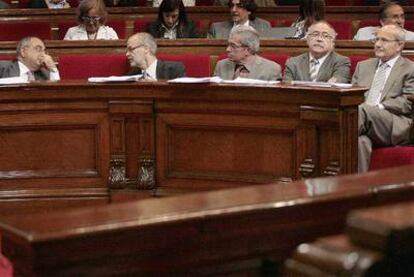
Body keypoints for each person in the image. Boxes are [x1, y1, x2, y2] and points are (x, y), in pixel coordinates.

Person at [352, 24, 414, 172]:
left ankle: (333, 138)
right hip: (364, 121)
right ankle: (359, 191)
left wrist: (380, 107)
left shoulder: (410, 68)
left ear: (399, 45)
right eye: (376, 39)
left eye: (384, 40)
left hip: (395, 122)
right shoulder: (363, 66)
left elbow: (407, 102)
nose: (378, 44)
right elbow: (351, 96)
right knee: (360, 142)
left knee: (361, 110)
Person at [284, 21, 350, 83]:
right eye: (315, 34)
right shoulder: (293, 63)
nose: (319, 39)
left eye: (325, 36)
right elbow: (287, 89)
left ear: (332, 42)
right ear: (307, 39)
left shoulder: (341, 62)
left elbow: (337, 84)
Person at [213, 26, 281, 81]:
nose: (227, 50)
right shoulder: (221, 65)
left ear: (248, 50)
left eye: (233, 46)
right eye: (228, 45)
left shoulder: (271, 69)